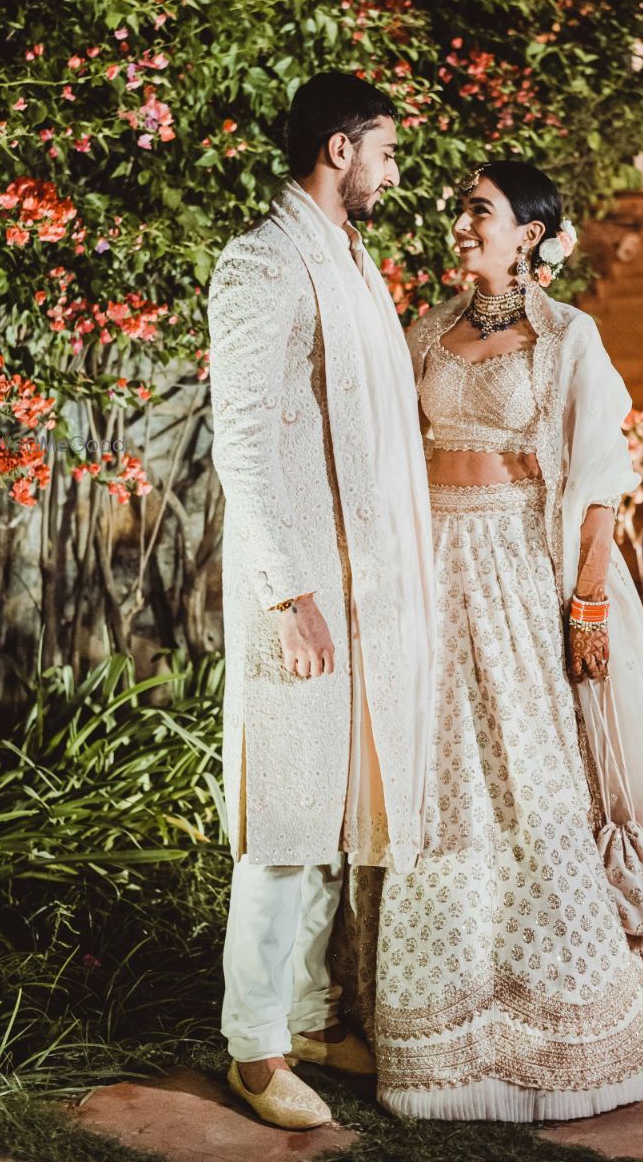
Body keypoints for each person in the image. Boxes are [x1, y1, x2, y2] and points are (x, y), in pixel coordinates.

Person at [363, 159, 643, 1122]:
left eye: (480, 210)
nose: (462, 222)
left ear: (529, 234)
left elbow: (598, 476)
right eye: (464, 207)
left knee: (534, 775)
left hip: (519, 568)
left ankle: (568, 1010)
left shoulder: (567, 335)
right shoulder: (424, 329)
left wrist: (588, 602)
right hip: (433, 573)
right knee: (440, 780)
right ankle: (443, 1017)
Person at [207, 72, 438, 1130]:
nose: (395, 169)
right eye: (385, 149)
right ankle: (252, 1047)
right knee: (284, 821)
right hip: (298, 593)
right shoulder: (263, 259)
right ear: (338, 149)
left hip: (363, 592)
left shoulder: (349, 261)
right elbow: (245, 444)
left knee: (335, 815)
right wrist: (288, 592)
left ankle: (305, 1013)